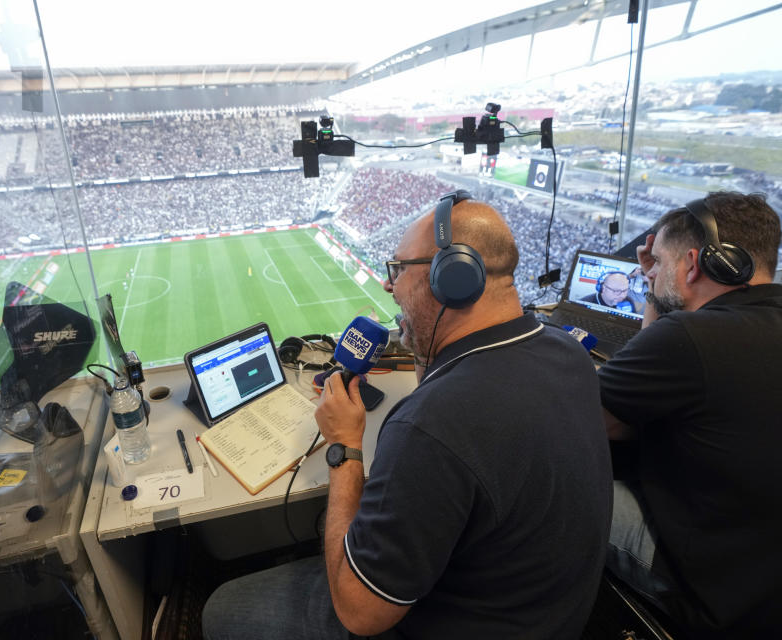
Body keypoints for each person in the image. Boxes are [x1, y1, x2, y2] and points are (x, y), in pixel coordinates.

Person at [202, 194, 612, 639]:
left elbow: (360, 616)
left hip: (444, 620)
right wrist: (427, 343)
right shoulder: (568, 352)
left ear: (451, 278)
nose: (387, 285)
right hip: (548, 614)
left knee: (221, 607)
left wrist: (344, 446)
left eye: (397, 270)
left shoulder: (431, 427)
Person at [598, 191, 782, 638]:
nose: (650, 272)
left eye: (656, 263)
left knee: (540, 487)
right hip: (765, 579)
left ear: (694, 265)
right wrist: (661, 277)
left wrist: (655, 294)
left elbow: (585, 420)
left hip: (712, 590)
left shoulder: (689, 336)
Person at [580, 270, 644, 313]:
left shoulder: (628, 301)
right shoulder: (584, 303)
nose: (622, 295)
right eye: (616, 291)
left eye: (625, 290)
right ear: (603, 288)